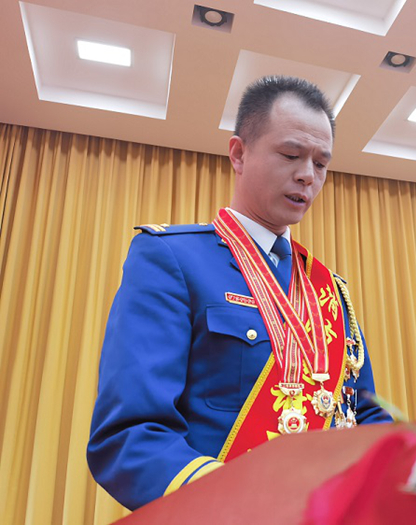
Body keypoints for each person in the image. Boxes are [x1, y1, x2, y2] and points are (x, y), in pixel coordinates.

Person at [87, 76, 392, 511]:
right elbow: (130, 436)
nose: (307, 175)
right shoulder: (172, 258)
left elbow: (365, 413)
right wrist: (248, 504)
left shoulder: (330, 290)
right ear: (239, 154)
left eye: (321, 163)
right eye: (290, 155)